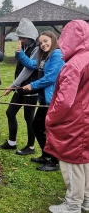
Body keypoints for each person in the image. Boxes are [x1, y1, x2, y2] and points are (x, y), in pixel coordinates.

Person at [45, 20, 89, 213]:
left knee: (71, 161)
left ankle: (72, 204)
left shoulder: (73, 65)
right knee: (84, 159)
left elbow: (64, 101)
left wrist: (50, 117)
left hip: (74, 122)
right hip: (85, 118)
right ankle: (86, 199)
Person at [16, 31, 64, 171]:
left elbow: (51, 77)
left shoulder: (56, 54)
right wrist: (20, 54)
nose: (43, 44)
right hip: (45, 98)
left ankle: (53, 161)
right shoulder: (46, 56)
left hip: (53, 99)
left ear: (53, 39)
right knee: (38, 125)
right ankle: (46, 155)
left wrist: (32, 85)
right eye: (41, 42)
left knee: (47, 128)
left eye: (46, 41)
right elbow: (32, 64)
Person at [0, 18, 39, 154]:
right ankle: (12, 142)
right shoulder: (25, 46)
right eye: (20, 37)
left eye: (23, 37)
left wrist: (12, 85)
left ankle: (31, 147)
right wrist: (18, 53)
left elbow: (28, 70)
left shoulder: (37, 48)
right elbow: (20, 64)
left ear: (30, 36)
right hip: (20, 88)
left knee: (29, 118)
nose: (21, 39)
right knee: (10, 112)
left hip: (30, 89)